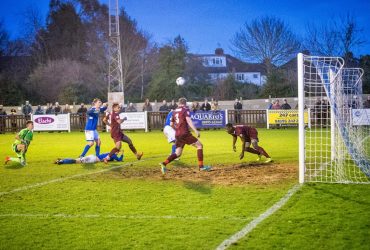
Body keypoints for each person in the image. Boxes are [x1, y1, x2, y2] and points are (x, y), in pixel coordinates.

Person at [159, 97, 211, 174]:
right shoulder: (185, 110)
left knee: (177, 153)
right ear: (185, 103)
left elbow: (171, 124)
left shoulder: (174, 111)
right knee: (200, 145)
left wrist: (177, 130)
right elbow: (189, 121)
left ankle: (164, 163)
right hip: (185, 133)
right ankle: (201, 167)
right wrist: (196, 131)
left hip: (177, 134)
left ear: (179, 103)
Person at [54, 152, 123, 165]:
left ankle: (61, 160)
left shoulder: (109, 152)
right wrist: (122, 154)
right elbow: (119, 160)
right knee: (76, 161)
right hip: (92, 159)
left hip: (92, 157)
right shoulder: (114, 155)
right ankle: (61, 161)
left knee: (76, 160)